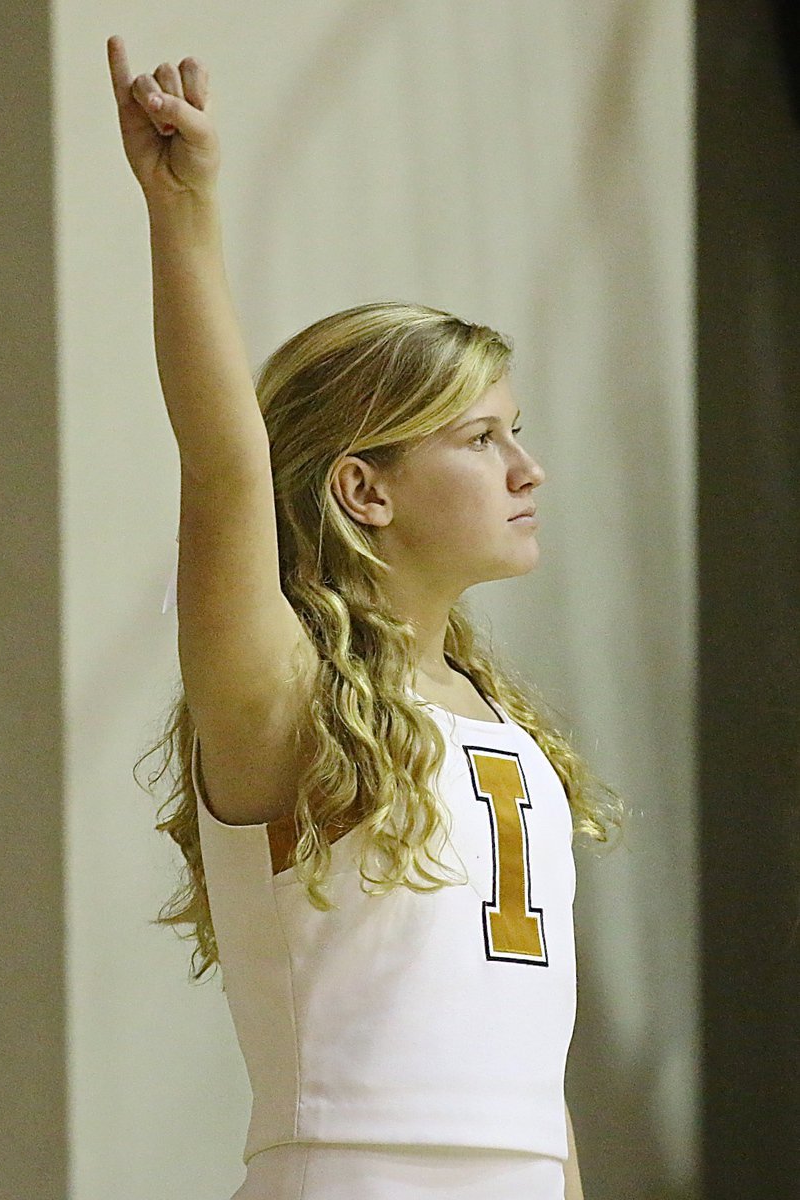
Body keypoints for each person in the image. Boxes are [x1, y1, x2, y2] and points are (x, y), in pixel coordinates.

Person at [107, 34, 624, 1200]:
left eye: (517, 429)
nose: (526, 468)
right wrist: (184, 214)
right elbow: (227, 468)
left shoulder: (503, 724)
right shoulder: (281, 698)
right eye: (480, 438)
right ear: (362, 489)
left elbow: (529, 1074)